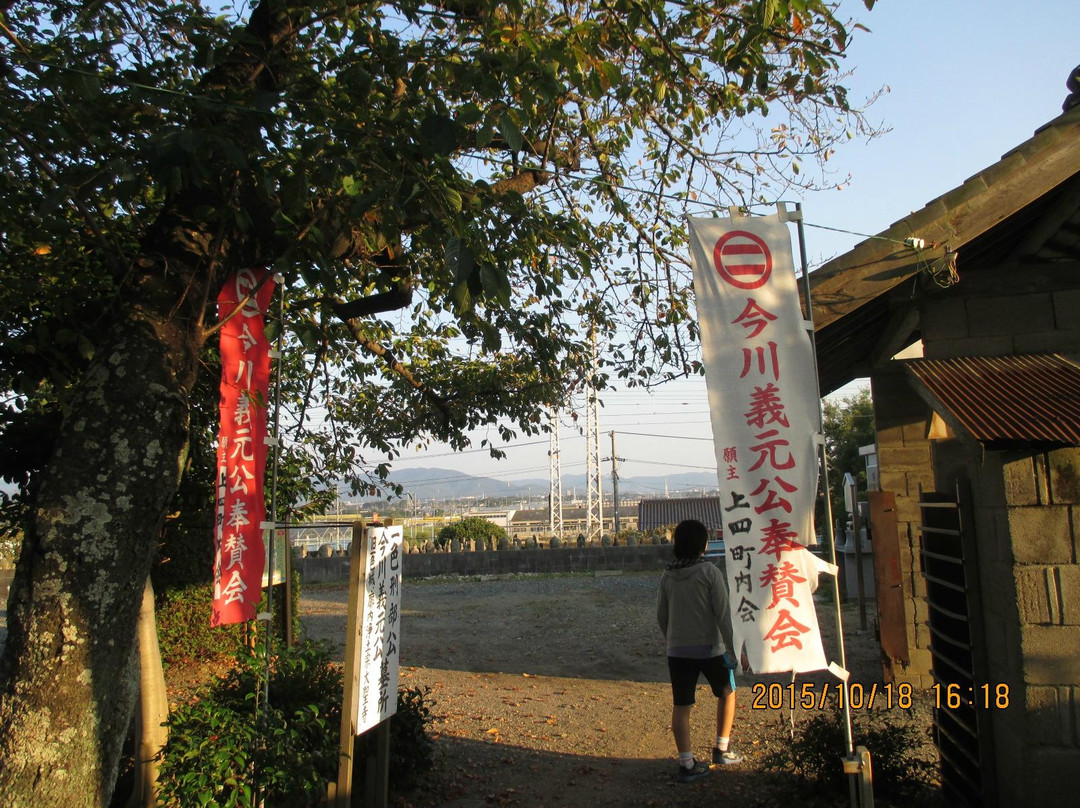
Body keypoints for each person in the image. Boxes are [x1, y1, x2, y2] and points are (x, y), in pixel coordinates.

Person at [656, 519, 742, 783]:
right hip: (710, 649)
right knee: (727, 692)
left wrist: (673, 639)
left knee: (682, 705)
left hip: (677, 651)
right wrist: (734, 650)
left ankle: (686, 762)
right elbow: (724, 616)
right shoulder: (709, 573)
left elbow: (662, 616)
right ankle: (722, 749)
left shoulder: (668, 575)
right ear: (703, 545)